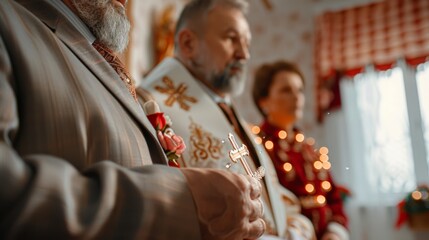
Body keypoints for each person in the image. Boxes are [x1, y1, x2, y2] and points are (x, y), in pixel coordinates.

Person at [0, 0, 266, 239]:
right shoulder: (10, 21)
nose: (244, 54)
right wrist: (179, 203)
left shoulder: (94, 51)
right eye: (232, 39)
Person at [140, 0, 315, 239]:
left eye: (246, 42)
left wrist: (295, 228)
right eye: (231, 39)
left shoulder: (228, 110)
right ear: (188, 43)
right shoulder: (150, 107)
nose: (244, 54)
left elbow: (274, 198)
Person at [252, 60, 349, 240]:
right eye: (286, 90)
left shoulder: (308, 149)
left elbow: (334, 199)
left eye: (300, 90)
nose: (297, 97)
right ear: (264, 101)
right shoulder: (256, 147)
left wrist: (334, 232)